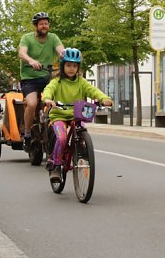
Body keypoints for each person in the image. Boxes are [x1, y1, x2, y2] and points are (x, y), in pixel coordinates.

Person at [42, 48, 113, 183]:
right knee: (62, 138)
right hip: (59, 115)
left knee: (81, 135)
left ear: (78, 67)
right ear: (63, 66)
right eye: (68, 65)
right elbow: (48, 90)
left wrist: (104, 99)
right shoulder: (57, 81)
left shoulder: (81, 82)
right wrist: (47, 99)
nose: (71, 69)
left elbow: (93, 91)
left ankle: (79, 154)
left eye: (74, 66)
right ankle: (56, 166)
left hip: (76, 116)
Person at [18, 12, 65, 147]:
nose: (44, 26)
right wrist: (31, 61)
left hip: (47, 78)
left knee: (59, 101)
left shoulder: (53, 38)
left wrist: (68, 55)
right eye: (41, 24)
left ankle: (55, 127)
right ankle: (27, 134)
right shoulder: (27, 38)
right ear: (36, 26)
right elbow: (22, 53)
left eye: (46, 23)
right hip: (30, 79)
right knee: (32, 104)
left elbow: (62, 51)